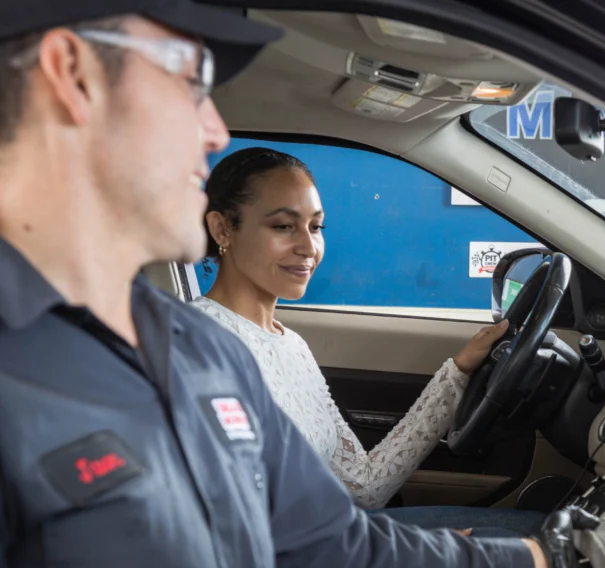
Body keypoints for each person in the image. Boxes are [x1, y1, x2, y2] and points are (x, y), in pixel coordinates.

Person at [0, 0, 559, 566]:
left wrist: (528, 560)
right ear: (74, 75)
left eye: (315, 227)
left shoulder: (201, 350)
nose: (215, 130)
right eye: (191, 83)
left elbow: (330, 537)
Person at [192, 147, 546, 538]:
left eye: (316, 227)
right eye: (283, 227)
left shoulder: (290, 345)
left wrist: (458, 372)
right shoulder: (199, 345)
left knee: (551, 533)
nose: (309, 248)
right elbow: (235, 529)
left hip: (340, 539)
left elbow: (365, 486)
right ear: (223, 228)